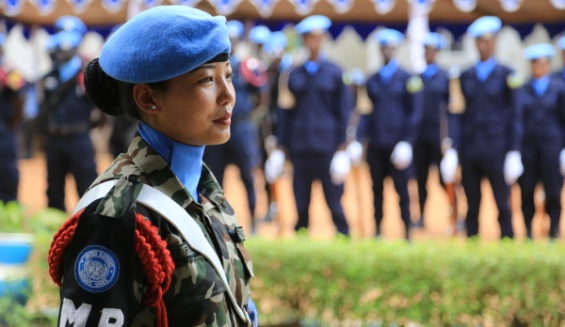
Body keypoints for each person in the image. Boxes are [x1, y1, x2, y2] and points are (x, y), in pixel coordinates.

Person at [47, 6, 256, 326]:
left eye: (228, 76)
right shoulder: (117, 215)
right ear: (147, 99)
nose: (228, 95)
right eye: (206, 80)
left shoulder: (202, 187)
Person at [440, 16, 523, 239]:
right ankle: (473, 246)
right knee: (472, 204)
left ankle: (507, 245)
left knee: (502, 204)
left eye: (487, 41)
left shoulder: (507, 75)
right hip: (471, 149)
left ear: (494, 42)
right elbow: (456, 114)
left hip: (497, 148)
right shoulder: (464, 76)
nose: (483, 45)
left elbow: (515, 114)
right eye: (479, 41)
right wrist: (453, 149)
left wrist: (514, 150)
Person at [270, 15, 351, 236]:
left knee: (334, 200)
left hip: (327, 146)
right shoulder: (293, 73)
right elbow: (285, 113)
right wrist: (279, 148)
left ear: (323, 39)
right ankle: (302, 238)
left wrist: (343, 148)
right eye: (308, 38)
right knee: (301, 200)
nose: (313, 42)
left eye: (316, 37)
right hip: (301, 147)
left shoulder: (335, 72)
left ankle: (344, 236)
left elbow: (344, 112)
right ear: (304, 40)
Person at [356, 28, 423, 240]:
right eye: (383, 47)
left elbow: (415, 112)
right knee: (376, 190)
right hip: (376, 144)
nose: (387, 50)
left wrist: (407, 142)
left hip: (398, 144)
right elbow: (365, 112)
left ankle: (407, 231)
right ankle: (377, 230)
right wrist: (358, 140)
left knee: (403, 190)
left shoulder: (408, 78)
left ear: (395, 49)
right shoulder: (372, 79)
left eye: (390, 47)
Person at [203, 20, 268, 235]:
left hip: (240, 127)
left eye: (233, 38)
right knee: (214, 178)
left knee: (248, 176)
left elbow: (261, 96)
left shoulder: (246, 65)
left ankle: (254, 223)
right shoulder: (210, 67)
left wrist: (245, 115)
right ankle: (215, 226)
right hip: (216, 128)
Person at [38, 28, 100, 212]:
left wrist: (86, 127)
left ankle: (90, 228)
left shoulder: (86, 75)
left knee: (87, 184)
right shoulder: (50, 76)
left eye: (60, 51)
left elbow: (101, 110)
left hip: (78, 138)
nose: (56, 55)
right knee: (54, 187)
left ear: (72, 50)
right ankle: (56, 232)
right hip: (54, 139)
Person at [518, 43, 565, 239]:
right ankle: (528, 230)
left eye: (543, 63)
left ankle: (553, 230)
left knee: (553, 190)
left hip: (551, 147)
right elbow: (518, 119)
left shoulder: (559, 88)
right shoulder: (523, 89)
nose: (540, 67)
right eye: (536, 63)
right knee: (527, 189)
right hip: (528, 148)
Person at [412, 32, 450, 229]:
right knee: (421, 180)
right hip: (420, 137)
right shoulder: (417, 78)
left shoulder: (446, 78)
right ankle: (420, 217)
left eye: (433, 50)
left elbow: (452, 109)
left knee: (446, 178)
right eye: (426, 50)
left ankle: (455, 214)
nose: (429, 54)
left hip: (439, 137)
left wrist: (450, 139)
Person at [0, 32, 26, 203]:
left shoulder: (9, 71)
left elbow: (20, 98)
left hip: (3, 132)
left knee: (6, 173)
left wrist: (12, 124)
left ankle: (9, 209)